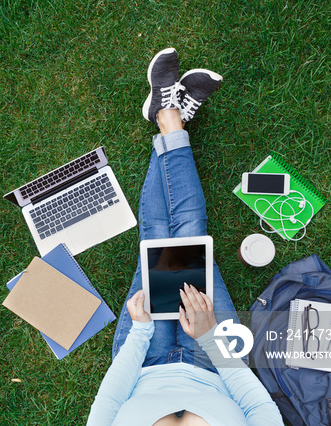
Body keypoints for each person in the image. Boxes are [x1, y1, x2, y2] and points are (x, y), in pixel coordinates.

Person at [86, 48, 283, 426]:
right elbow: (259, 409)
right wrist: (211, 339)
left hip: (143, 360)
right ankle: (170, 121)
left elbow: (109, 401)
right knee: (192, 237)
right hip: (215, 362)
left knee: (156, 239)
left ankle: (167, 117)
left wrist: (142, 331)